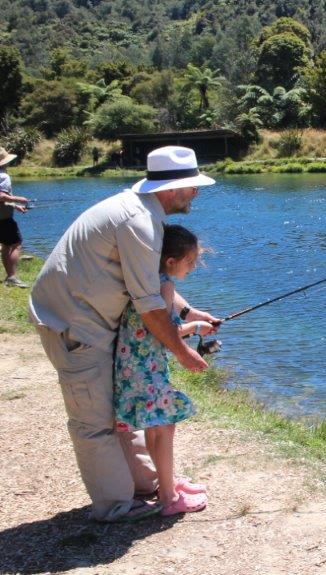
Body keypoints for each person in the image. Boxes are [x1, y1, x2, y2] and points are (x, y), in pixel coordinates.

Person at [29, 145, 219, 522]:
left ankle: (148, 483)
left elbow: (152, 280)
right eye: (191, 186)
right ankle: (114, 505)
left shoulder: (144, 213)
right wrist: (182, 350)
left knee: (116, 413)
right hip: (73, 324)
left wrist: (187, 312)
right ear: (172, 188)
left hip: (95, 321)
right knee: (94, 422)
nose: (196, 193)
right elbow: (149, 303)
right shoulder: (139, 222)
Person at [114, 224, 213, 516]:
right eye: (190, 261)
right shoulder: (164, 286)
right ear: (170, 261)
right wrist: (195, 328)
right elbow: (163, 332)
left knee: (157, 425)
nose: (193, 267)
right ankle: (169, 498)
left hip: (132, 364)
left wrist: (194, 319)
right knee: (163, 426)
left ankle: (166, 482)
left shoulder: (147, 278)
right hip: (147, 366)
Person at [1, 148, 30, 288]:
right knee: (15, 244)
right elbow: (1, 196)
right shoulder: (3, 177)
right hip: (3, 219)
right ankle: (12, 277)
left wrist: (14, 206)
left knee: (6, 245)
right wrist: (18, 199)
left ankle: (9, 276)